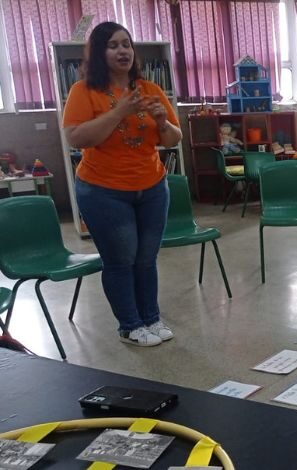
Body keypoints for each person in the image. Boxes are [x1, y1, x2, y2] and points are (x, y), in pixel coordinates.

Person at [62, 22, 182, 347]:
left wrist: (161, 121)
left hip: (153, 187)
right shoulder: (83, 91)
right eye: (113, 45)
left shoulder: (150, 89)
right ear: (100, 53)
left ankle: (151, 318)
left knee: (146, 259)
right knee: (121, 260)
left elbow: (173, 138)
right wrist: (120, 112)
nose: (122, 51)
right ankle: (130, 325)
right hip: (103, 191)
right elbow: (77, 137)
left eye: (126, 44)